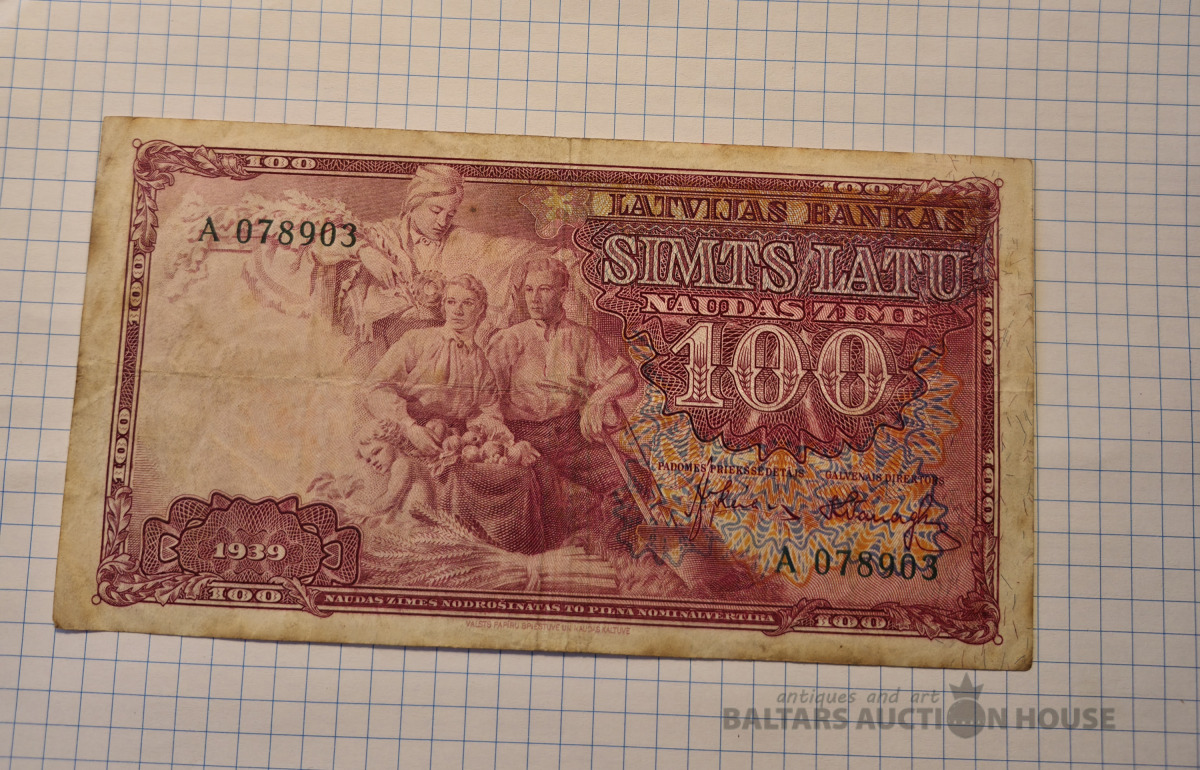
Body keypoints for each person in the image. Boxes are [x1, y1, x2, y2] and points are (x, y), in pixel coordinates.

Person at [486, 256, 638, 548]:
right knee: (551, 501)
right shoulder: (507, 340)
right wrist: (509, 443)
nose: (534, 298)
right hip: (527, 439)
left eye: (544, 289)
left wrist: (598, 399)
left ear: (563, 292)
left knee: (631, 478)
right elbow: (485, 403)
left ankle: (617, 554)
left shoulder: (582, 337)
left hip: (573, 438)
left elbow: (626, 376)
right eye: (529, 289)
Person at [361, 273, 508, 520]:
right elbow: (374, 388)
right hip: (406, 444)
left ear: (481, 309)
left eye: (467, 303)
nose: (457, 310)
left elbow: (488, 412)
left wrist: (482, 441)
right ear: (443, 306)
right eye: (451, 302)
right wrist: (409, 428)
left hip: (455, 449)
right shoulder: (417, 340)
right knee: (415, 510)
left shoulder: (480, 363)